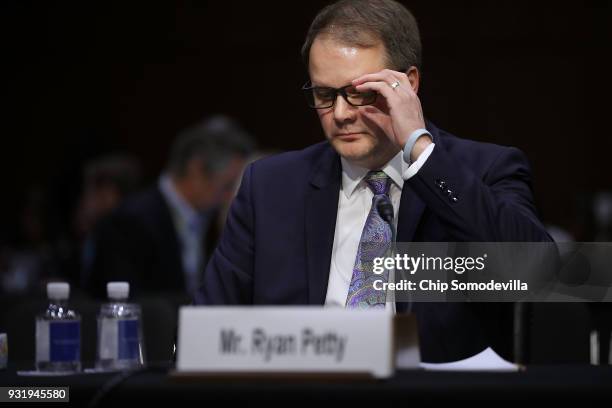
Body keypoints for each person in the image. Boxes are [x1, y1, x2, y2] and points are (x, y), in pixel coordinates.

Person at [196, 0, 551, 362]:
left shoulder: (482, 170)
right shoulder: (270, 186)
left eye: (361, 93)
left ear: (408, 85)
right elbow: (207, 328)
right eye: (324, 95)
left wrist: (421, 151)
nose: (340, 114)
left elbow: (537, 272)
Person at [85, 116, 255, 300]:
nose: (230, 196)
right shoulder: (130, 221)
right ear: (196, 170)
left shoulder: (211, 220)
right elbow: (126, 303)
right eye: (227, 185)